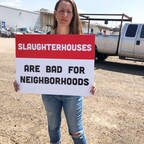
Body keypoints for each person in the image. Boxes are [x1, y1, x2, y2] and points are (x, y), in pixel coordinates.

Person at [14, 0, 96, 143]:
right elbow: (34, 66)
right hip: (50, 93)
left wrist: (91, 83)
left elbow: (83, 69)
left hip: (73, 93)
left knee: (76, 131)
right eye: (61, 10)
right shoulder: (45, 40)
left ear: (73, 15)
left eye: (69, 11)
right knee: (53, 128)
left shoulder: (81, 42)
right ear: (55, 14)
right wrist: (21, 79)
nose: (65, 14)